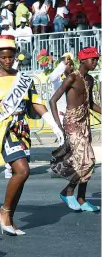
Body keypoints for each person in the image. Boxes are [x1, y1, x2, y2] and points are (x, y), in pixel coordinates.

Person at [0, 35, 64, 235]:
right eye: (3, 57)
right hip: (2, 129)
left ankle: (8, 216)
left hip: (21, 129)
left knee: (22, 175)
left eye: (10, 57)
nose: (7, 61)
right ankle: (4, 212)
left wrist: (54, 126)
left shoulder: (23, 79)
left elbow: (36, 102)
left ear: (15, 55)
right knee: (23, 170)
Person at [50, 47, 101, 212]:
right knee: (88, 160)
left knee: (86, 162)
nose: (95, 62)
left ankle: (81, 198)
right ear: (83, 60)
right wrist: (58, 124)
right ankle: (68, 192)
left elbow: (90, 104)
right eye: (93, 59)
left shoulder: (91, 80)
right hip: (72, 124)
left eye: (97, 59)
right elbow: (53, 100)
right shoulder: (72, 78)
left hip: (84, 123)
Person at [49, 54, 74, 125]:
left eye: (73, 65)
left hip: (71, 116)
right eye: (69, 65)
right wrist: (63, 64)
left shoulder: (74, 78)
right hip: (60, 116)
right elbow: (52, 77)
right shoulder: (58, 80)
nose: (72, 67)